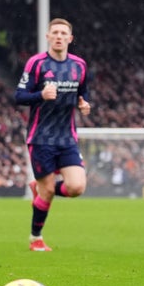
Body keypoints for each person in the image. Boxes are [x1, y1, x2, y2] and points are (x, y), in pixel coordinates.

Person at [14, 18, 91, 251]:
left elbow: (83, 92)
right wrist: (40, 95)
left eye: (63, 33)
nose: (59, 36)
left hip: (67, 137)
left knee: (77, 187)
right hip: (41, 138)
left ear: (70, 38)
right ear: (48, 37)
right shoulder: (36, 63)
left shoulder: (79, 65)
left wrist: (84, 104)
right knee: (47, 191)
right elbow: (19, 96)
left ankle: (40, 190)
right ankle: (35, 238)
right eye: (55, 32)